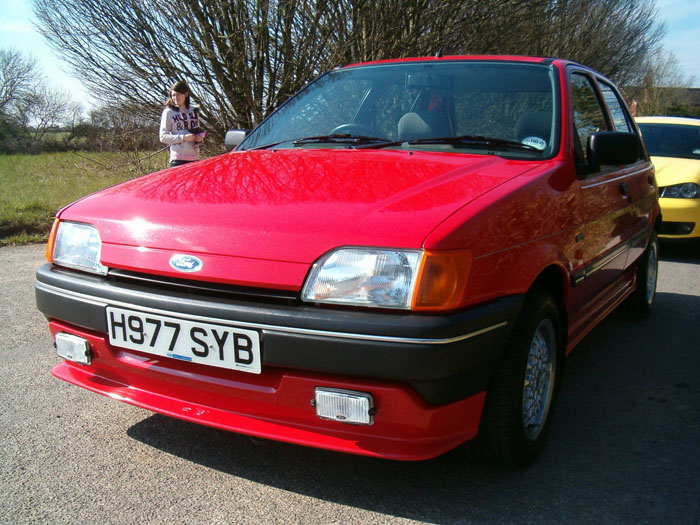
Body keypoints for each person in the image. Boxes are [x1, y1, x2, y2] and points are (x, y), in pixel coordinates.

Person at [160, 81, 205, 167]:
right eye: (173, 95)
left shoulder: (194, 110)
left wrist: (199, 138)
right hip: (178, 159)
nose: (175, 97)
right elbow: (163, 137)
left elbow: (198, 131)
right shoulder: (168, 112)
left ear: (186, 94)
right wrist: (183, 138)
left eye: (178, 94)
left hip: (194, 158)